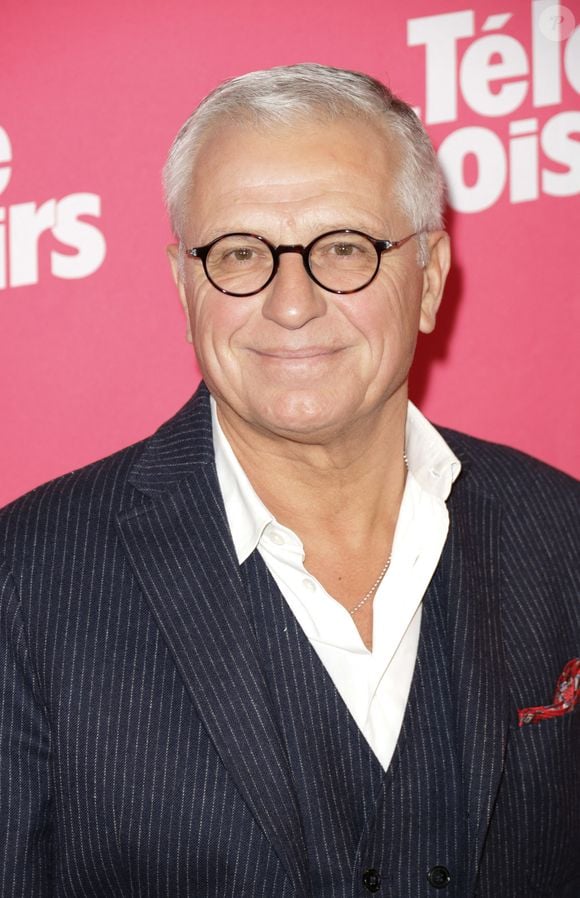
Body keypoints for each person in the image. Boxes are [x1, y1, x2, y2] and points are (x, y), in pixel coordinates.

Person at [0, 63, 578, 898]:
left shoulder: (562, 534)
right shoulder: (25, 582)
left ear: (431, 277)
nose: (293, 302)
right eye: (240, 253)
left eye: (344, 247)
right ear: (184, 286)